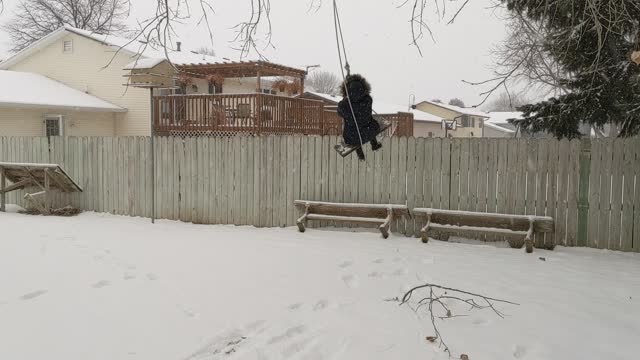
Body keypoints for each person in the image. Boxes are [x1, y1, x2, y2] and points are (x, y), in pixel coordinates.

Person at [337, 74, 382, 160]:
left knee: (355, 135)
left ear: (347, 91)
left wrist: (345, 99)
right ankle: (374, 145)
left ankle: (361, 156)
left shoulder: (345, 105)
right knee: (370, 125)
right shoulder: (368, 100)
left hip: (353, 137)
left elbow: (339, 112)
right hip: (368, 131)